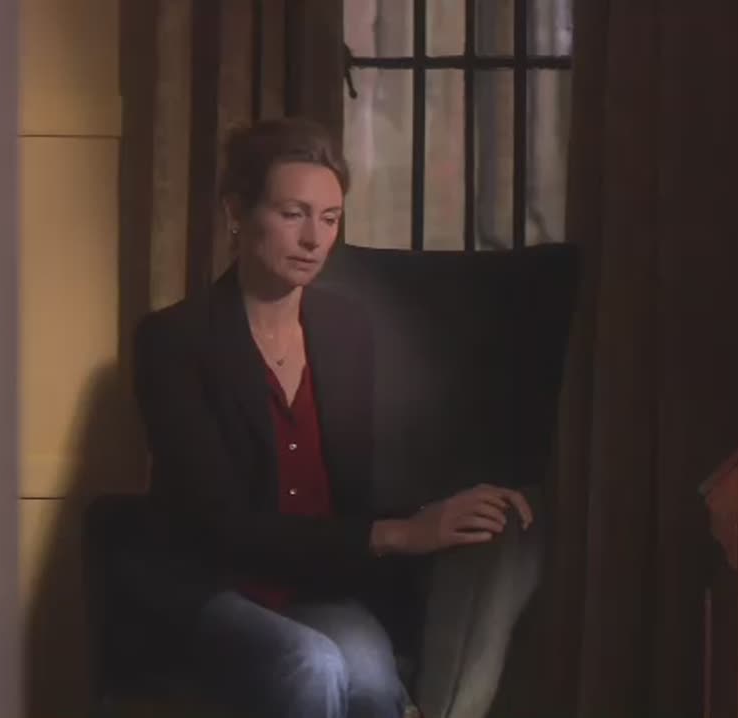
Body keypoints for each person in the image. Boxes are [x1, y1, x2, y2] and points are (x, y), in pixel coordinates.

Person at [132, 116, 534, 718]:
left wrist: (455, 505)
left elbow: (358, 490)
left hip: (318, 584)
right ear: (237, 212)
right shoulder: (173, 340)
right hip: (214, 587)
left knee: (369, 679)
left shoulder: (347, 329)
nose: (313, 239)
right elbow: (220, 526)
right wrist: (397, 534)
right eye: (292, 214)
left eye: (329, 218)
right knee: (313, 663)